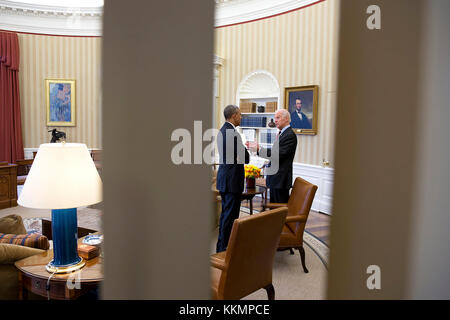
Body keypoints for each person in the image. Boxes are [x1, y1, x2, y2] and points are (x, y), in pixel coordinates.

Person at [216, 105, 250, 252]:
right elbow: (246, 158)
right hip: (231, 181)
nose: (241, 117)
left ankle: (222, 247)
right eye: (240, 115)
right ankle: (225, 250)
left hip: (225, 179)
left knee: (225, 215)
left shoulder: (222, 130)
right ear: (234, 115)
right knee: (229, 217)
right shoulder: (232, 133)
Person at [248, 109, 297, 203]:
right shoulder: (282, 134)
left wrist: (259, 149)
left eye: (278, 117)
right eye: (275, 118)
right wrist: (259, 149)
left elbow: (277, 155)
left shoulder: (290, 135)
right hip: (276, 179)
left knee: (278, 211)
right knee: (274, 210)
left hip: (281, 180)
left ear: (286, 119)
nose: (275, 120)